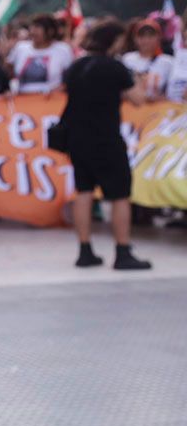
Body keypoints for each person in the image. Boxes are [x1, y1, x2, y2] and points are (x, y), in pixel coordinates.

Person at [63, 18, 152, 271]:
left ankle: (84, 250)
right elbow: (139, 99)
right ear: (114, 41)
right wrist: (136, 78)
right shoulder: (115, 68)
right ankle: (123, 251)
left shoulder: (77, 67)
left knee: (83, 192)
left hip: (77, 139)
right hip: (106, 138)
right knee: (119, 195)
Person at [7, 13, 74, 94]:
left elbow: (70, 78)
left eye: (38, 27)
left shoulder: (63, 50)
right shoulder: (20, 48)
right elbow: (9, 71)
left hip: (51, 100)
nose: (33, 31)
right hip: (23, 100)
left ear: (50, 31)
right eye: (32, 27)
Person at [121, 19, 174, 100]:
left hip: (158, 110)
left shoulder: (168, 62)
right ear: (135, 38)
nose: (146, 40)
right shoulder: (127, 59)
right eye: (141, 36)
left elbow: (172, 92)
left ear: (159, 38)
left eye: (151, 36)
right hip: (130, 109)